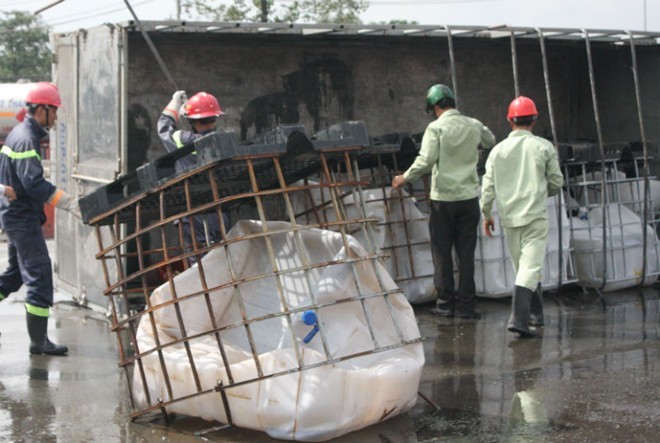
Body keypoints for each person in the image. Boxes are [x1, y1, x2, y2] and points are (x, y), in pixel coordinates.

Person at [392, 84, 495, 318]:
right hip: (469, 199)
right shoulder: (473, 124)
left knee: (442, 253)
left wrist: (404, 177)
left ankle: (446, 304)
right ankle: (468, 307)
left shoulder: (435, 128)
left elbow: (427, 160)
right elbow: (490, 140)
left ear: (436, 106)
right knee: (466, 254)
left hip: (443, 201)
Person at [0, 82, 80, 355]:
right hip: (21, 218)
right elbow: (32, 184)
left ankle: (38, 340)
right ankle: (39, 342)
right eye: (54, 111)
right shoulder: (26, 138)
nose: (56, 117)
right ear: (43, 109)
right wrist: (67, 201)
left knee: (13, 276)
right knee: (39, 273)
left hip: (17, 216)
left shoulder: (23, 134)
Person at [480, 96, 564, 338]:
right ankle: (519, 319)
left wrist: (486, 214)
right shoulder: (544, 147)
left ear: (510, 121)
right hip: (535, 217)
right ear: (534, 120)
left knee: (525, 267)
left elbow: (487, 188)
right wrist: (541, 191)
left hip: (510, 219)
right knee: (529, 267)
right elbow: (557, 183)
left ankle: (536, 315)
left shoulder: (497, 152)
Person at [157, 90, 228, 263]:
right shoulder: (222, 140)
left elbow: (164, 126)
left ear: (191, 120)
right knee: (221, 254)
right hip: (219, 208)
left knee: (200, 260)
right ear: (215, 118)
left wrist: (175, 104)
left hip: (193, 211)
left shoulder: (182, 139)